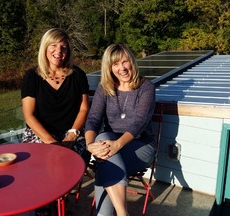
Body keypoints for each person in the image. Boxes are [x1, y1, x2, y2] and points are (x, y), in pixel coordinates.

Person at [21, 28, 90, 215]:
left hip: (71, 134)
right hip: (40, 134)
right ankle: (45, 203)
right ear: (45, 47)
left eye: (63, 47)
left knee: (70, 161)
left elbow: (84, 108)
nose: (58, 51)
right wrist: (51, 142)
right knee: (42, 161)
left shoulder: (77, 75)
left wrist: (72, 135)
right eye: (53, 45)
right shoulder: (32, 77)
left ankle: (60, 200)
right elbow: (29, 115)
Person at [85, 44, 157, 216]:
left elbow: (138, 123)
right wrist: (89, 145)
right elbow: (93, 119)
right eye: (115, 64)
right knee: (103, 143)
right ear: (109, 68)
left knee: (105, 160)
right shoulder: (105, 88)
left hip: (140, 147)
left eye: (125, 62)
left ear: (132, 62)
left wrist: (116, 145)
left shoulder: (146, 88)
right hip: (110, 146)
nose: (122, 68)